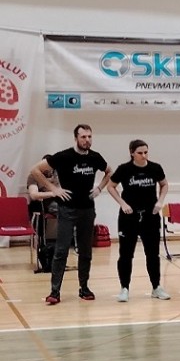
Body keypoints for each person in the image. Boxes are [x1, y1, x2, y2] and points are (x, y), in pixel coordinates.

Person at [31, 124, 111, 305]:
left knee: (85, 251)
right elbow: (35, 170)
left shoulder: (95, 157)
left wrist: (99, 188)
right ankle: (54, 292)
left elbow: (109, 172)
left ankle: (84, 288)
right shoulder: (64, 156)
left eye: (89, 136)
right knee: (61, 251)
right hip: (67, 209)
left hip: (87, 209)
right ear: (76, 138)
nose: (87, 140)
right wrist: (54, 189)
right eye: (83, 137)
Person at [107, 139, 171, 303]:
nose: (144, 156)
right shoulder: (124, 169)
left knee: (153, 253)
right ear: (132, 153)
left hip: (150, 216)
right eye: (140, 153)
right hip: (129, 217)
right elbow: (111, 186)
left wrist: (160, 201)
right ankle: (124, 288)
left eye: (146, 152)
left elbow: (164, 185)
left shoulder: (155, 168)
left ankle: (156, 287)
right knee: (126, 254)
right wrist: (122, 204)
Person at [27, 155, 61, 274]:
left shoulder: (57, 174)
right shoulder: (33, 176)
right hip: (44, 204)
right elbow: (34, 195)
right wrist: (53, 193)